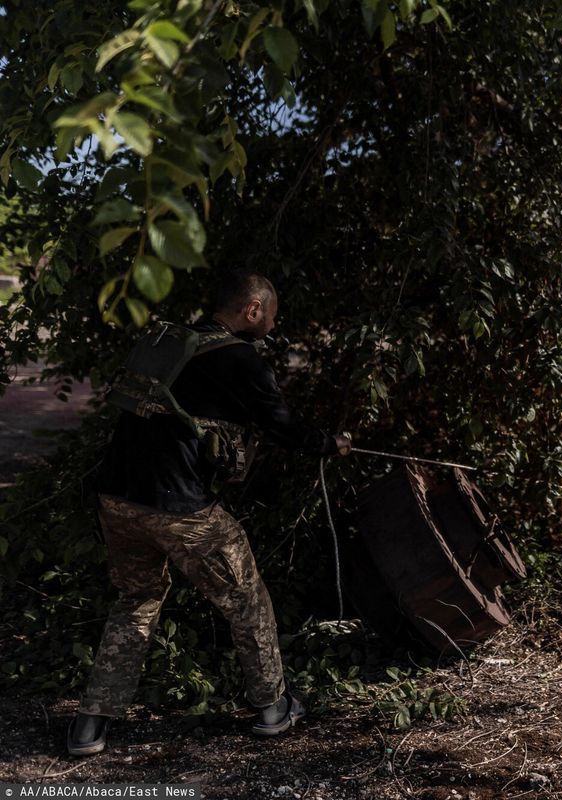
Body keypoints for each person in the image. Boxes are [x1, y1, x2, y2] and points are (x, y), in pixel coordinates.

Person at [67, 270, 352, 757]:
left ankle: (89, 726)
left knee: (136, 600)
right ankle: (272, 708)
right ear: (253, 309)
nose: (271, 325)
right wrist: (330, 445)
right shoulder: (241, 359)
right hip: (181, 509)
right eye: (272, 315)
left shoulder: (169, 341)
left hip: (116, 499)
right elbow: (281, 426)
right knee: (247, 598)